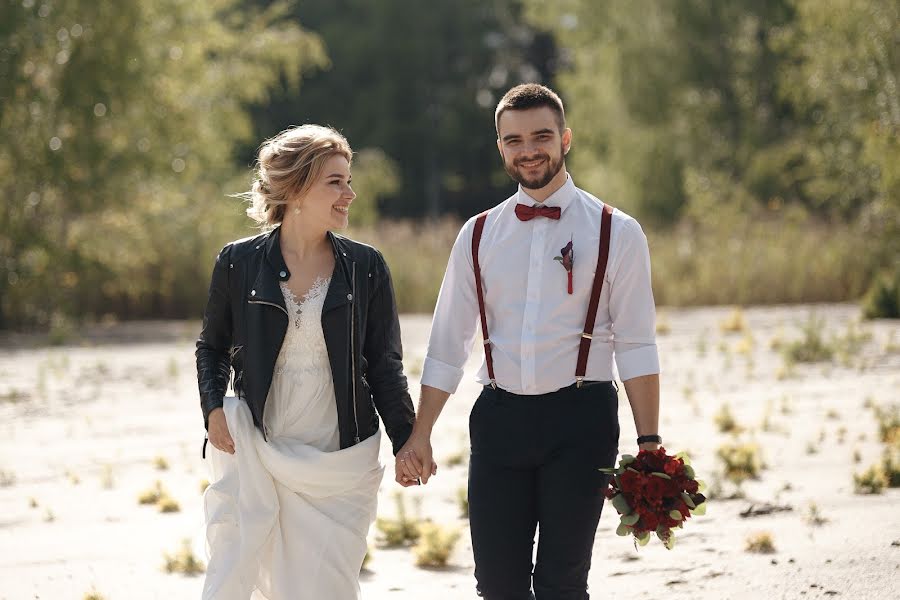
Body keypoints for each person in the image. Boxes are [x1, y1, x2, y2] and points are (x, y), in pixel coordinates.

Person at [395, 83, 663, 599]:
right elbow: (449, 342)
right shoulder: (477, 234)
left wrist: (648, 442)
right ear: (501, 148)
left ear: (566, 139)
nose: (529, 149)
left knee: (562, 584)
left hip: (582, 420)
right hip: (499, 421)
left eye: (541, 136)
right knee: (497, 585)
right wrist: (421, 432)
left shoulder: (617, 232)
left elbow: (636, 344)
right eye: (514, 139)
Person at [195, 124, 416, 600]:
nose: (350, 193)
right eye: (335, 181)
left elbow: (384, 364)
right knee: (254, 570)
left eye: (348, 179)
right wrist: (214, 407)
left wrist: (407, 438)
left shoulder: (367, 265)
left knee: (328, 585)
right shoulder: (237, 262)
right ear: (295, 189)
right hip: (260, 441)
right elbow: (211, 346)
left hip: (342, 454)